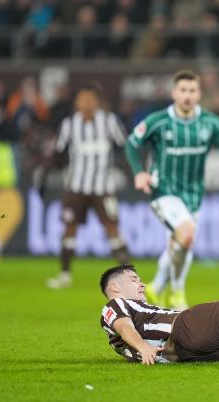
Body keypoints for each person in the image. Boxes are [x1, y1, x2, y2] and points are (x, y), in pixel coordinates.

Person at [124, 70, 219, 310]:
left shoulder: (210, 122)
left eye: (192, 90)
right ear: (173, 93)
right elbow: (131, 143)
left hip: (193, 195)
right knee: (186, 234)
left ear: (199, 93)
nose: (187, 95)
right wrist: (139, 172)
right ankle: (177, 292)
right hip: (163, 191)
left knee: (180, 243)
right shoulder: (158, 121)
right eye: (183, 90)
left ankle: (156, 287)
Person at [41, 83, 130, 288]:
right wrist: (45, 175)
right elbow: (58, 153)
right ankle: (64, 275)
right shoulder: (69, 125)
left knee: (113, 228)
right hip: (76, 187)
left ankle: (127, 280)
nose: (86, 103)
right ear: (77, 102)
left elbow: (124, 147)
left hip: (103, 187)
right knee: (69, 229)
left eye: (90, 99)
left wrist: (132, 173)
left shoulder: (109, 122)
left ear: (97, 102)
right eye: (82, 99)